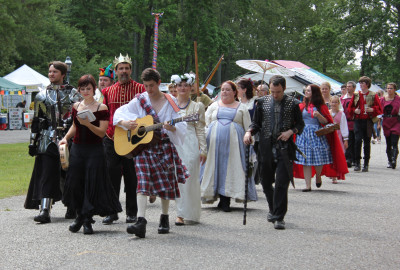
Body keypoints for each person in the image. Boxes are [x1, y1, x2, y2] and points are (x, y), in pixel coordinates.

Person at [113, 68, 189, 238]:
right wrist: (126, 123)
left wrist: (172, 127)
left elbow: (182, 126)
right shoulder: (140, 100)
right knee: (143, 181)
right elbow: (119, 113)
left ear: (159, 83)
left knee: (166, 182)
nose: (149, 89)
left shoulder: (171, 101)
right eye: (146, 85)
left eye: (152, 86)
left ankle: (164, 217)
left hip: (163, 145)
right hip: (144, 148)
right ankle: (141, 221)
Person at [59, 75, 122, 234]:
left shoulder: (102, 108)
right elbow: (74, 126)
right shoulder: (76, 106)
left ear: (94, 89)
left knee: (91, 184)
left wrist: (88, 123)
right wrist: (65, 138)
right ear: (79, 90)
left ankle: (86, 220)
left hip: (94, 150)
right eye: (83, 88)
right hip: (78, 149)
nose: (86, 91)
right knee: (76, 183)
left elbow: (101, 132)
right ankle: (80, 216)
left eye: (89, 88)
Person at [244, 75, 304, 230]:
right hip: (265, 147)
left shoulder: (293, 103)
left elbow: (300, 124)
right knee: (265, 182)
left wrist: (290, 132)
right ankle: (272, 208)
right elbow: (256, 123)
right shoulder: (262, 102)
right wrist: (249, 132)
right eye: (272, 91)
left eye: (278, 91)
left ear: (284, 88)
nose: (275, 94)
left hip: (284, 148)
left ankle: (279, 216)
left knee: (281, 183)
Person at [24, 61, 81, 223]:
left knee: (69, 173)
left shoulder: (74, 95)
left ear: (63, 74)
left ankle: (72, 206)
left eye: (55, 72)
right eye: (49, 71)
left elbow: (79, 117)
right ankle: (45, 209)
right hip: (47, 139)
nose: (51, 74)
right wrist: (32, 143)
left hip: (68, 138)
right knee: (47, 173)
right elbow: (37, 121)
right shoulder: (41, 95)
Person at [101, 54, 145, 225]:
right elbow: (104, 114)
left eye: (127, 68)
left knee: (131, 177)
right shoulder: (107, 91)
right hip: (111, 137)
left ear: (131, 70)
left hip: (133, 139)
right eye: (121, 68)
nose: (124, 71)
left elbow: (146, 112)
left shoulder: (141, 89)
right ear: (116, 71)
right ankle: (111, 211)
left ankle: (132, 213)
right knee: (111, 176)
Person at [201, 81, 257, 212]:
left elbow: (248, 126)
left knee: (231, 169)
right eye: (222, 90)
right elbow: (205, 123)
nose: (224, 92)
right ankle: (218, 197)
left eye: (227, 90)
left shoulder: (241, 107)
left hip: (234, 147)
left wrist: (249, 137)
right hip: (214, 146)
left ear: (234, 92)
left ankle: (226, 199)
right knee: (215, 169)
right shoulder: (213, 106)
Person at [293, 84, 348, 191]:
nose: (306, 92)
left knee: (318, 159)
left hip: (316, 134)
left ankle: (318, 175)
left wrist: (319, 115)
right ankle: (308, 185)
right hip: (303, 135)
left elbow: (327, 121)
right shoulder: (303, 105)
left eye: (309, 90)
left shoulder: (320, 106)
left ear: (314, 92)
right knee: (305, 160)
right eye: (306, 90)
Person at [173, 73, 207, 225]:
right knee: (177, 178)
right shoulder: (170, 104)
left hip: (191, 142)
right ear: (175, 87)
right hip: (175, 143)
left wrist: (203, 149)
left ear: (191, 88)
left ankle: (191, 211)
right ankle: (179, 214)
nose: (183, 88)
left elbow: (200, 129)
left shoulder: (197, 106)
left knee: (190, 178)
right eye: (180, 85)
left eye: (186, 85)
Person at [348, 76, 383, 172]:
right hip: (358, 121)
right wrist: (355, 111)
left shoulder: (373, 95)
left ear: (367, 84)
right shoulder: (356, 95)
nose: (360, 84)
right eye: (360, 83)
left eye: (362, 83)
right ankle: (357, 163)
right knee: (358, 140)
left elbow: (379, 109)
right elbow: (349, 108)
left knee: (367, 142)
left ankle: (366, 164)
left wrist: (373, 109)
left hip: (368, 121)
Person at [380, 82, 400, 169]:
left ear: (394, 89)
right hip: (386, 122)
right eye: (388, 88)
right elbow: (379, 112)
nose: (389, 90)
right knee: (388, 143)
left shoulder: (398, 99)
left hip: (396, 121)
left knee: (394, 142)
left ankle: (394, 159)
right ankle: (389, 160)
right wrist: (377, 123)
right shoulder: (382, 99)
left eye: (391, 88)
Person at [329, 95, 349, 184]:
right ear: (330, 103)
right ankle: (331, 173)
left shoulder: (341, 114)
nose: (334, 104)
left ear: (338, 103)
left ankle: (335, 175)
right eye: (332, 102)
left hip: (338, 136)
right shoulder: (328, 112)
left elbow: (344, 126)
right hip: (329, 136)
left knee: (337, 156)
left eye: (336, 102)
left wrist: (345, 139)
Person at [341, 81, 357, 168]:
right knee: (348, 140)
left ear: (354, 88)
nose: (348, 88)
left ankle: (355, 158)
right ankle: (349, 158)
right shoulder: (342, 98)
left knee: (356, 140)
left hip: (355, 121)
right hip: (346, 121)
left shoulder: (357, 98)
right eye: (347, 86)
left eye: (350, 86)